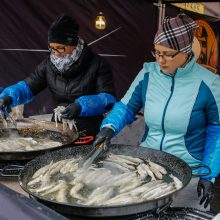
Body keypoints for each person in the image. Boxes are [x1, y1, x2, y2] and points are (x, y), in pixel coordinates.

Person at [94, 13, 220, 209]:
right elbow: (126, 107)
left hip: (189, 174)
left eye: (168, 54)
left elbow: (217, 131)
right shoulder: (147, 73)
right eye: (157, 52)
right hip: (147, 166)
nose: (160, 60)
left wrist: (209, 174)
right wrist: (109, 128)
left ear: (185, 51)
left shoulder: (210, 83)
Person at [0, 15, 116, 137]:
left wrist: (81, 106)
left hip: (89, 130)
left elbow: (107, 99)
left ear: (73, 43)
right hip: (59, 127)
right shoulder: (49, 65)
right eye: (52, 48)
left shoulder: (98, 64)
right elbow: (28, 86)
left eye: (60, 48)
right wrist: (9, 97)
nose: (55, 53)